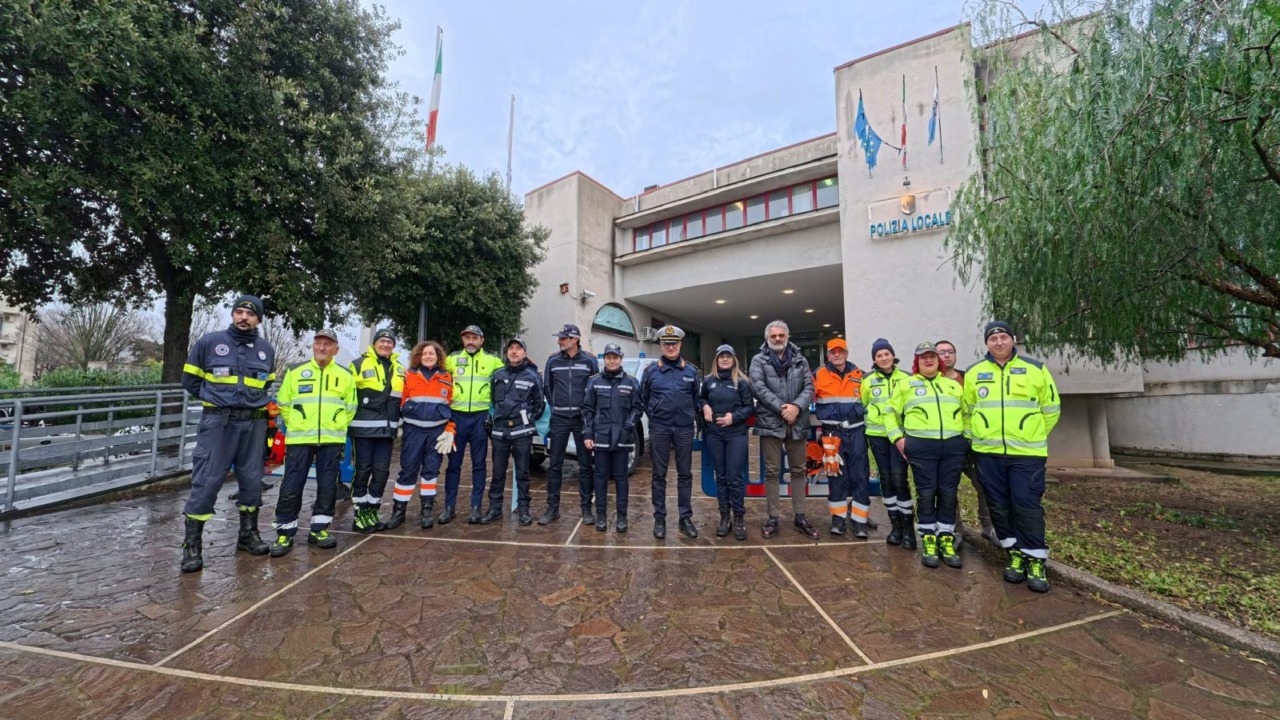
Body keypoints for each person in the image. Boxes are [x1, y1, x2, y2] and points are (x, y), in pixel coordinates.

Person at [178, 294, 276, 573]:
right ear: (233, 315)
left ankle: (248, 535)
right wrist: (216, 400)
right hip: (219, 423)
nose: (244, 317)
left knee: (251, 480)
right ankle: (192, 545)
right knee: (207, 480)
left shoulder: (266, 350)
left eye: (251, 313)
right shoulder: (210, 342)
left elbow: (265, 386)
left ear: (258, 319)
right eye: (239, 312)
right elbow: (190, 380)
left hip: (254, 424)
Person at [963, 321, 1061, 592]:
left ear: (1013, 340)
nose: (998, 343)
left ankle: (1036, 560)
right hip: (988, 454)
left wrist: (1032, 434)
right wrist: (974, 439)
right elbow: (967, 411)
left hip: (1027, 454)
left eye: (1003, 337)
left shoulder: (1035, 369)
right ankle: (1014, 554)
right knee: (999, 505)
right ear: (986, 344)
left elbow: (1051, 409)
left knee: (1026, 504)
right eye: (993, 339)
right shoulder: (974, 373)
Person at [268, 329, 356, 556]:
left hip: (331, 439)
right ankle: (285, 532)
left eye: (328, 344)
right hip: (300, 439)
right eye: (318, 343)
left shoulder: (345, 375)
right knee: (291, 484)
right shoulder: (295, 371)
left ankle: (319, 529)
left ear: (335, 349)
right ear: (313, 346)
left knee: (328, 485)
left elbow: (350, 407)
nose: (322, 348)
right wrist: (298, 424)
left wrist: (337, 425)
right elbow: (284, 403)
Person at [885, 342, 968, 569]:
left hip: (952, 448)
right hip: (921, 448)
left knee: (948, 493)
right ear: (917, 362)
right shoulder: (906, 384)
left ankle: (945, 539)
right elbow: (889, 414)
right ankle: (929, 540)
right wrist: (898, 439)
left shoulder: (952, 386)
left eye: (932, 356)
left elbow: (968, 413)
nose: (928, 360)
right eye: (923, 357)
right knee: (926, 492)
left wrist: (966, 439)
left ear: (938, 360)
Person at [748, 320, 819, 540]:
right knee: (771, 471)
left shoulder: (800, 359)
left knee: (799, 470)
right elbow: (757, 387)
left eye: (781, 335)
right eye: (773, 336)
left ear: (787, 336)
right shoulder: (758, 360)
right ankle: (772, 518)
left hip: (797, 422)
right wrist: (782, 408)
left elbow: (810, 387)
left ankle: (800, 516)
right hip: (771, 422)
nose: (777, 339)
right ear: (767, 338)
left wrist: (796, 406)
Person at [639, 325, 702, 539]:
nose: (671, 347)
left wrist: (686, 414)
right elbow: (644, 399)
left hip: (684, 428)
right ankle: (660, 518)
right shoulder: (651, 371)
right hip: (660, 428)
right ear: (660, 345)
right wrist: (657, 415)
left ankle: (685, 517)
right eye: (667, 344)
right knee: (659, 475)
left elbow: (696, 399)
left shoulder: (691, 371)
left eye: (674, 343)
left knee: (685, 474)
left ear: (680, 344)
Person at [391, 340, 455, 530]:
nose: (428, 356)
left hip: (437, 432)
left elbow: (452, 406)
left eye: (432, 354)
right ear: (418, 356)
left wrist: (450, 428)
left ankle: (426, 510)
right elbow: (399, 404)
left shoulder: (446, 377)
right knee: (408, 470)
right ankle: (398, 511)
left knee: (431, 471)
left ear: (438, 357)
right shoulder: (408, 376)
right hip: (413, 431)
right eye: (425, 353)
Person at [937, 339, 996, 544]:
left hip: (973, 443)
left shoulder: (969, 378)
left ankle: (988, 527)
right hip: (946, 445)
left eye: (950, 351)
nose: (946, 355)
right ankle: (955, 531)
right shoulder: (930, 381)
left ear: (955, 355)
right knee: (947, 489)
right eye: (941, 352)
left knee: (985, 485)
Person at [443, 325, 503, 524]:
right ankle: (449, 507)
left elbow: (509, 374)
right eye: (467, 337)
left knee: (479, 465)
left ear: (481, 340)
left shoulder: (493, 360)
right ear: (462, 340)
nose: (470, 341)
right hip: (456, 418)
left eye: (474, 338)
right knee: (453, 465)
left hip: (480, 419)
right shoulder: (451, 359)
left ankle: (476, 507)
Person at [813, 337, 872, 538]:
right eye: (833, 352)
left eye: (840, 351)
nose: (837, 355)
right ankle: (838, 520)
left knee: (860, 476)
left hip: (856, 432)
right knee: (835, 477)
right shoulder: (818, 375)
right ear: (828, 354)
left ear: (846, 353)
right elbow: (806, 397)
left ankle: (859, 522)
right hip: (831, 434)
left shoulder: (860, 375)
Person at [482, 337, 545, 526]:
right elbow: (492, 401)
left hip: (522, 433)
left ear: (525, 353)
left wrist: (526, 420)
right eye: (511, 348)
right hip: (500, 432)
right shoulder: (497, 375)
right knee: (498, 472)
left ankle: (524, 509)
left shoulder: (533, 376)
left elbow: (539, 405)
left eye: (518, 348)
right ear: (507, 352)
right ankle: (494, 508)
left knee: (523, 472)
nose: (514, 351)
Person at [347, 328, 405, 533]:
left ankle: (372, 510)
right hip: (363, 430)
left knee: (381, 473)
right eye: (382, 341)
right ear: (374, 344)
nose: (386, 345)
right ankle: (360, 514)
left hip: (386, 431)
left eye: (390, 342)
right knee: (363, 470)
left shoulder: (400, 368)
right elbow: (347, 394)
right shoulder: (358, 364)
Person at [581, 344, 643, 532]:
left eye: (615, 357)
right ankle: (601, 515)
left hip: (622, 439)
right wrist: (588, 434)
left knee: (621, 478)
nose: (612, 360)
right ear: (604, 359)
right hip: (600, 438)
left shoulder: (631, 382)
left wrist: (628, 426)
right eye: (609, 357)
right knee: (600, 477)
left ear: (620, 358)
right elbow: (587, 409)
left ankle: (622, 517)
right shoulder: (594, 382)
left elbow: (638, 408)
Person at [541, 324, 599, 525]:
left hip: (582, 420)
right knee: (554, 464)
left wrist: (587, 414)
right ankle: (552, 508)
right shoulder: (553, 361)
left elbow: (594, 390)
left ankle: (586, 509)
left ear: (575, 339)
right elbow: (547, 387)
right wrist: (556, 406)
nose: (559, 341)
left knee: (585, 465)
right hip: (559, 419)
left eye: (563, 338)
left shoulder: (590, 361)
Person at [862, 338, 915, 549]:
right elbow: (863, 404)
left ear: (893, 355)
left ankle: (909, 527)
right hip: (877, 435)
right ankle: (896, 526)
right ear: (874, 359)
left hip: (900, 437)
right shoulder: (868, 380)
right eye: (879, 355)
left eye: (886, 354)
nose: (883, 358)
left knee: (899, 477)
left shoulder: (908, 378)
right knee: (885, 478)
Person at [699, 344, 754, 541]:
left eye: (728, 356)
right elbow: (700, 399)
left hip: (735, 434)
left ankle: (739, 518)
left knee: (734, 477)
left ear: (733, 359)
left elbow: (750, 408)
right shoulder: (708, 381)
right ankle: (724, 518)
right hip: (714, 434)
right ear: (716, 359)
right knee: (720, 477)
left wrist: (734, 417)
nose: (724, 359)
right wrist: (704, 405)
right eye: (721, 356)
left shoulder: (742, 382)